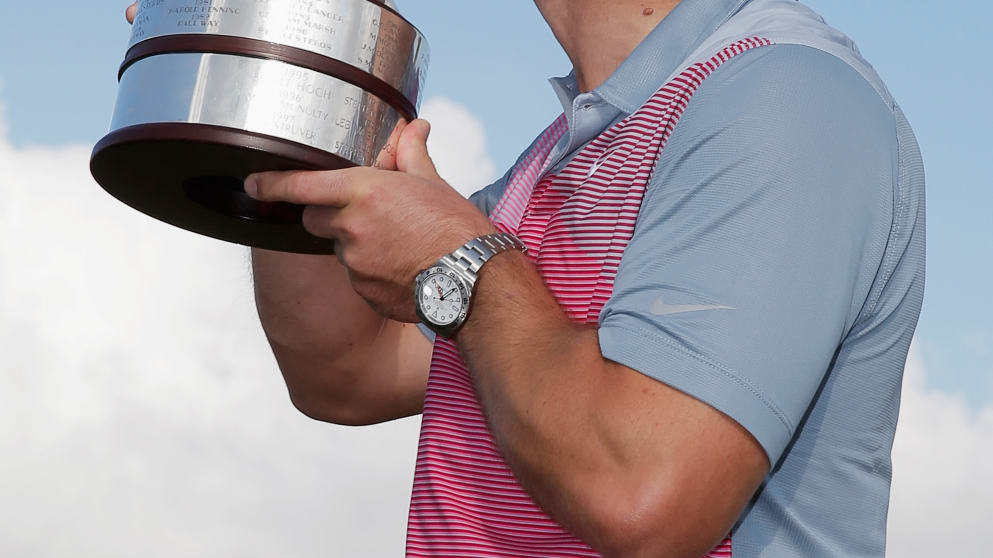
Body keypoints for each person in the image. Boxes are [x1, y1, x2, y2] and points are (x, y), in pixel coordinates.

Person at [126, 0, 925, 556]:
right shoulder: (563, 153)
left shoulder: (784, 97)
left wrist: (459, 259)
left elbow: (639, 497)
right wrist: (285, 59)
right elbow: (344, 369)